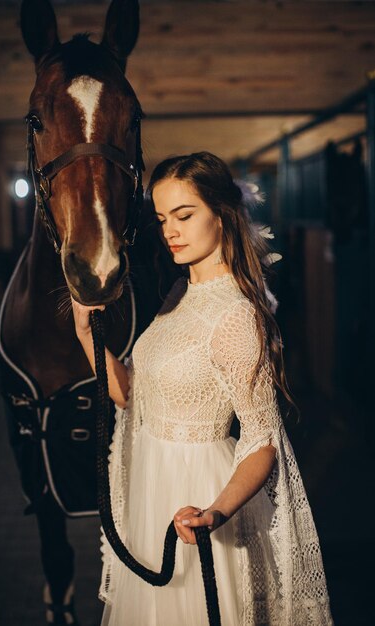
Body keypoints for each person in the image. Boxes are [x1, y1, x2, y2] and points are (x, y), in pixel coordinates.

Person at [72, 152, 333, 625]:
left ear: (222, 214)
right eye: (162, 218)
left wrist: (216, 513)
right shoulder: (178, 295)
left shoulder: (237, 316)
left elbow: (261, 440)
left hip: (194, 495)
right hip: (152, 487)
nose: (170, 230)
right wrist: (88, 336)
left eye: (185, 215)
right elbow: (132, 398)